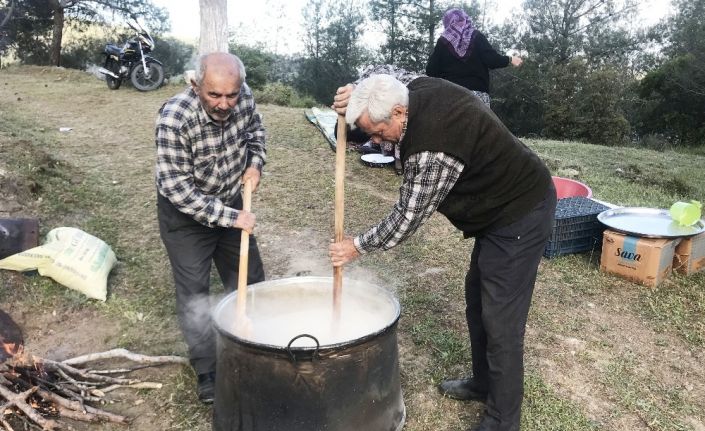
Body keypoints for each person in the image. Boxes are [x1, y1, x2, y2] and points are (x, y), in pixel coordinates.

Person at [329, 74, 556, 431]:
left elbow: (406, 218)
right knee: (477, 301)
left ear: (400, 112)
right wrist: (352, 89)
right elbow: (381, 74)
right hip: (496, 209)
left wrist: (355, 246)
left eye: (377, 132)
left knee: (501, 321)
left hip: (520, 211)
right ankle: (483, 382)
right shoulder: (412, 87)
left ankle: (502, 419)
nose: (374, 141)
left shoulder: (432, 150)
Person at [155, 52, 266, 404]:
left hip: (232, 201)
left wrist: (255, 164)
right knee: (194, 294)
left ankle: (259, 348)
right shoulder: (175, 118)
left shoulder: (243, 97)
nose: (224, 104)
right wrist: (232, 218)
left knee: (251, 281)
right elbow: (176, 188)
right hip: (186, 217)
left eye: (231, 95)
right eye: (214, 95)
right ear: (195, 84)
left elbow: (256, 133)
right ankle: (208, 370)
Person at [426, 8, 522, 106]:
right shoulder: (476, 36)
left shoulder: (443, 42)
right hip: (477, 96)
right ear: (466, 20)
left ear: (447, 23)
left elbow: (431, 71)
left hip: (449, 95)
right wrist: (510, 59)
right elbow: (492, 60)